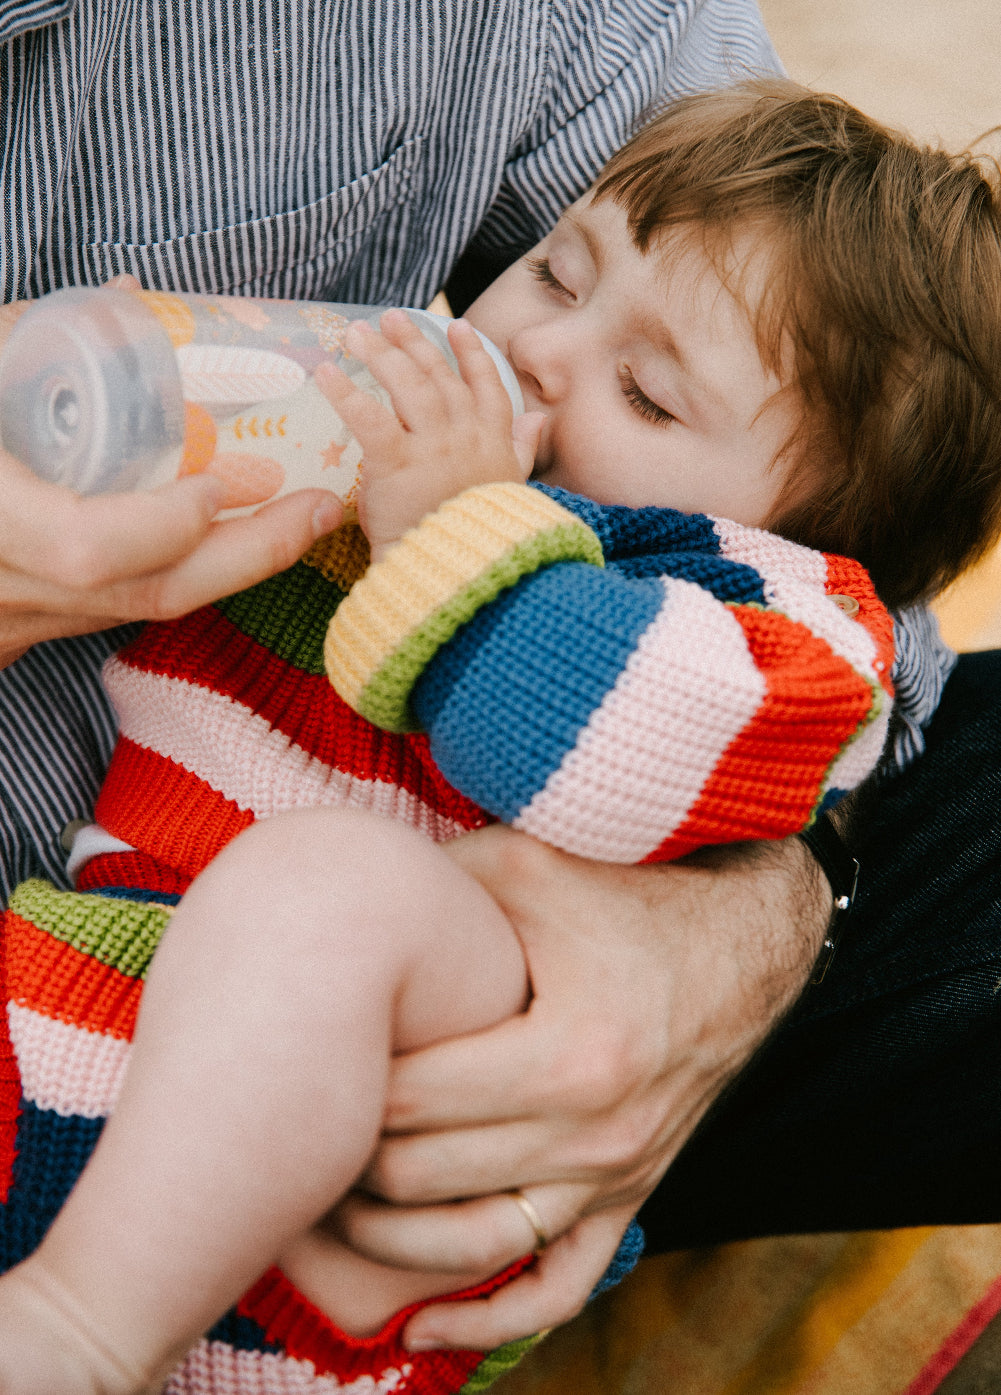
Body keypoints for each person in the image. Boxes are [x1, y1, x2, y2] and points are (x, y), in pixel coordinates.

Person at [0, 0, 997, 1370]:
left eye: (647, 397)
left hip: (349, 1174)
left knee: (326, 890)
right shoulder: (394, 476)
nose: (536, 352)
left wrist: (443, 531)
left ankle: (79, 1332)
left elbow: (589, 732)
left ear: (815, 540)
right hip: (70, 1000)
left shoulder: (770, 615)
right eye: (554, 271)